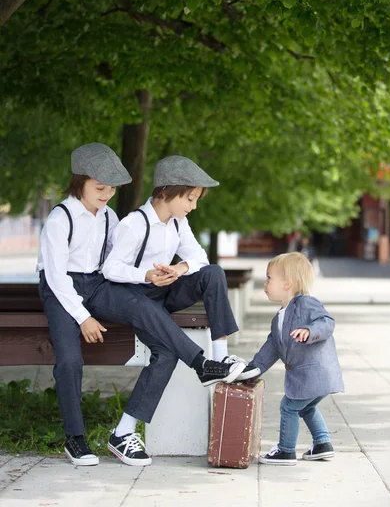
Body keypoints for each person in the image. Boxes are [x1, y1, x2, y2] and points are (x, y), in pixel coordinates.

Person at [38, 145, 250, 468]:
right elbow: (57, 275)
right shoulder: (60, 218)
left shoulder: (109, 216)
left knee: (145, 307)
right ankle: (75, 437)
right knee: (69, 361)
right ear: (79, 181)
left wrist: (171, 271)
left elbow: (107, 266)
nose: (107, 195)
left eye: (111, 189)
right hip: (60, 289)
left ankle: (205, 364)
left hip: (95, 285)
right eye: (99, 188)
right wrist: (83, 318)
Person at [102, 155, 258, 462]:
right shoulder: (134, 224)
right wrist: (145, 275)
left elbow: (199, 258)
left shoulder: (178, 223)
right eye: (189, 198)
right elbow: (110, 268)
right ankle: (123, 432)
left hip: (164, 290)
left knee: (213, 272)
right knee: (166, 354)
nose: (193, 206)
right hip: (136, 298)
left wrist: (180, 268)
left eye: (196, 199)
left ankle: (218, 359)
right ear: (166, 192)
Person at [236, 252, 344, 465]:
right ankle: (322, 444)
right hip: (312, 376)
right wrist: (252, 369)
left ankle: (286, 450)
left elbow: (327, 322)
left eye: (269, 278)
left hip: (314, 373)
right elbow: (272, 348)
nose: (265, 283)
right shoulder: (280, 317)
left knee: (288, 406)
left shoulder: (306, 304)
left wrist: (309, 330)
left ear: (287, 284)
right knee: (305, 407)